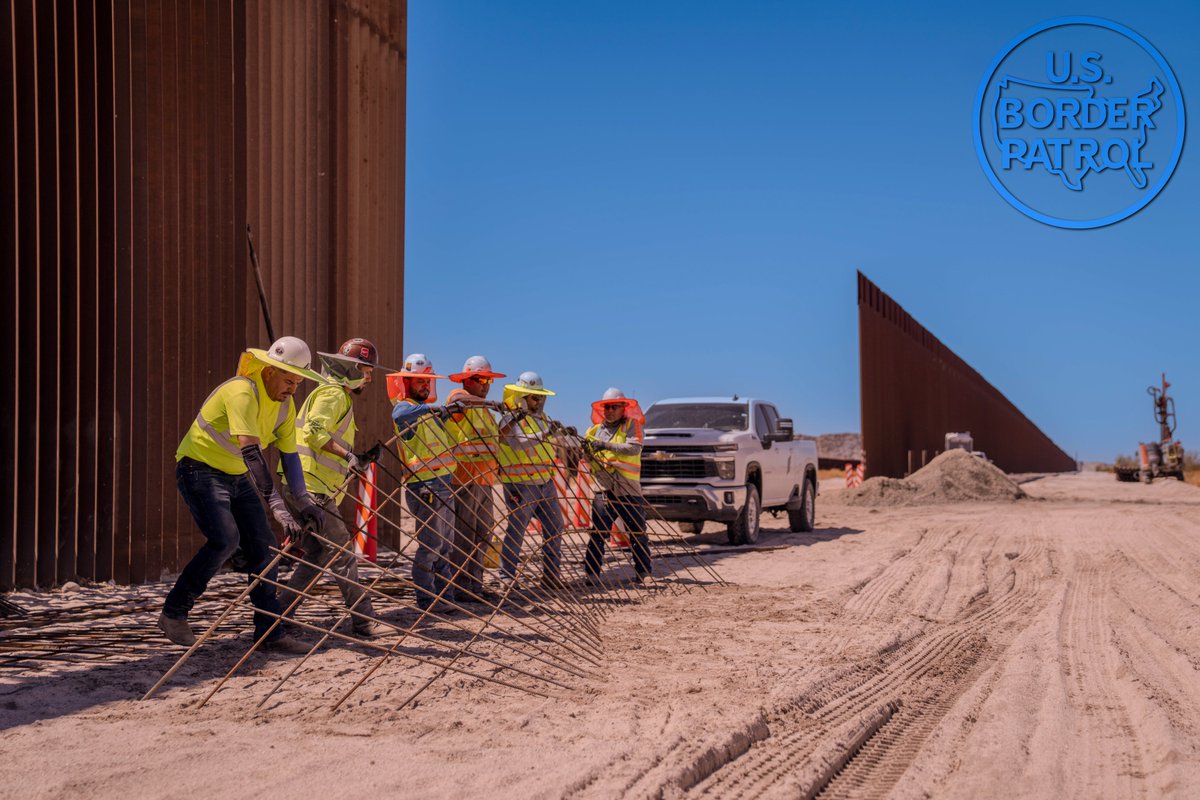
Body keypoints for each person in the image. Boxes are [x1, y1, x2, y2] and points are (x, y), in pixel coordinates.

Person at [159, 337, 325, 652]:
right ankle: (174, 614)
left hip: (235, 474)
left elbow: (289, 457)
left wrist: (302, 499)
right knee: (225, 539)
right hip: (199, 469)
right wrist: (276, 504)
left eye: (298, 382)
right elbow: (251, 452)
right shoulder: (242, 392)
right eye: (288, 380)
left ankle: (269, 634)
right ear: (270, 371)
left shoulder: (285, 406)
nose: (292, 388)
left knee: (266, 549)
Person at [277, 338, 391, 638]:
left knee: (317, 554)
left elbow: (326, 441)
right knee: (342, 553)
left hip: (305, 484)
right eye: (366, 371)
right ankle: (363, 620)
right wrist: (347, 454)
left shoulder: (334, 395)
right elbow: (315, 433)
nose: (369, 378)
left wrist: (358, 459)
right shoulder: (333, 394)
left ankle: (278, 616)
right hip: (311, 488)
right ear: (351, 369)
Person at [388, 354, 458, 612]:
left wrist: (445, 412)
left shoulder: (428, 413)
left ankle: (445, 597)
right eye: (419, 382)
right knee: (431, 546)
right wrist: (434, 409)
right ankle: (427, 599)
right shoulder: (405, 409)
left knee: (445, 546)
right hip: (425, 487)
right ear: (406, 383)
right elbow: (400, 414)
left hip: (444, 484)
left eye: (427, 381)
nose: (425, 386)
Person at [444, 356, 505, 603]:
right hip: (464, 479)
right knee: (464, 535)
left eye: (488, 380)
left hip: (484, 481)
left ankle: (474, 585)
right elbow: (457, 400)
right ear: (468, 380)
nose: (486, 384)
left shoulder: (484, 410)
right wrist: (488, 402)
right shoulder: (459, 398)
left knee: (482, 534)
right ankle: (461, 587)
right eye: (481, 379)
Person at [496, 372, 565, 590]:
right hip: (520, 484)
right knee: (517, 529)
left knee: (555, 526)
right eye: (534, 397)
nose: (539, 401)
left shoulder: (544, 419)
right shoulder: (510, 419)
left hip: (545, 482)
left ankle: (551, 575)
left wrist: (566, 434)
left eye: (541, 397)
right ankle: (506, 576)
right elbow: (518, 444)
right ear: (522, 397)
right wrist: (546, 434)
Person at [583, 387, 651, 583]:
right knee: (598, 532)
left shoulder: (632, 425)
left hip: (628, 487)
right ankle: (591, 573)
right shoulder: (594, 431)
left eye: (614, 407)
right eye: (607, 407)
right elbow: (587, 457)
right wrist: (586, 451)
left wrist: (606, 446)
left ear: (623, 408)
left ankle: (643, 572)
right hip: (603, 488)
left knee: (637, 532)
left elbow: (633, 448)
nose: (610, 410)